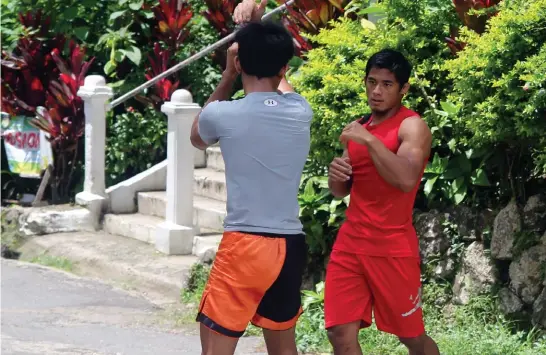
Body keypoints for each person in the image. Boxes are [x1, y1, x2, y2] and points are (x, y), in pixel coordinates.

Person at [189, 1, 312, 354]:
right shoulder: (300, 111)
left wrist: (228, 75)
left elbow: (198, 136)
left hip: (246, 243)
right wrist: (263, 32)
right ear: (285, 66)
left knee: (215, 347)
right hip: (290, 243)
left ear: (239, 62)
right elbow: (282, 83)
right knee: (283, 347)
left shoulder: (223, 114)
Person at [325, 49, 440, 355]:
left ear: (404, 89)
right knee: (339, 333)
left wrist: (370, 141)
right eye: (371, 82)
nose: (376, 91)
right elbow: (341, 190)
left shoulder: (412, 126)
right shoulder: (360, 127)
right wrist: (336, 174)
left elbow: (405, 180)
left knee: (411, 337)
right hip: (351, 243)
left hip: (392, 247)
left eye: (387, 84)